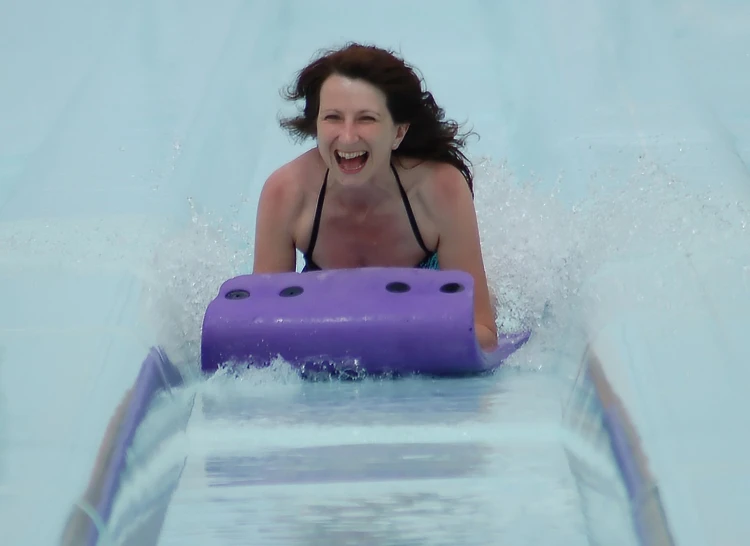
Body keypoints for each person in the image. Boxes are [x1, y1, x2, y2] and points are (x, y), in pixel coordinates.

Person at [252, 43, 498, 350]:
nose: (348, 136)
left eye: (366, 118)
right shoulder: (286, 194)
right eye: (332, 118)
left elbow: (484, 333)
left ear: (398, 133)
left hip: (426, 314)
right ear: (316, 124)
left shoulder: (440, 190)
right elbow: (260, 334)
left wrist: (390, 338)